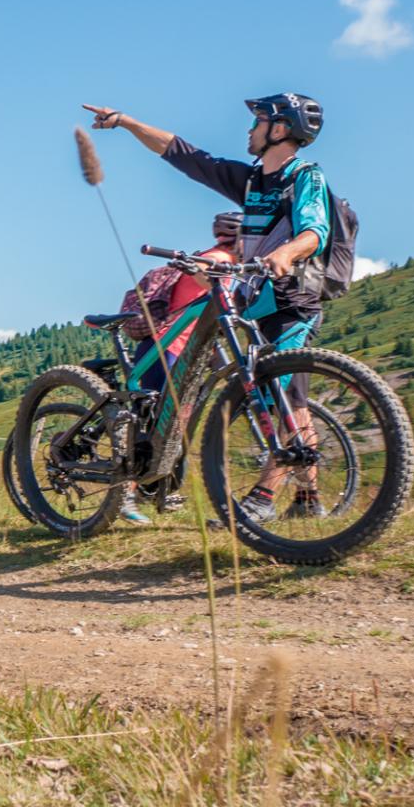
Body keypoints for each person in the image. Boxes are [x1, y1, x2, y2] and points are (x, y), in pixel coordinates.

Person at [84, 94, 332, 523]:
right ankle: (307, 501)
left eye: (256, 123)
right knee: (281, 398)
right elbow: (182, 153)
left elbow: (315, 229)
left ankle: (263, 499)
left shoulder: (304, 176)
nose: (248, 131)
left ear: (278, 130)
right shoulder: (252, 181)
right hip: (256, 304)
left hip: (291, 301)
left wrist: (288, 253)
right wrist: (126, 122)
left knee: (285, 397)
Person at [117, 213, 241, 524]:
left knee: (174, 423)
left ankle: (158, 489)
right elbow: (200, 267)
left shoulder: (234, 264)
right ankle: (125, 494)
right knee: (151, 420)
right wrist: (209, 279)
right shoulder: (220, 257)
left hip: (189, 350)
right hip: (167, 345)